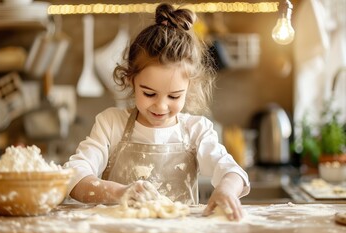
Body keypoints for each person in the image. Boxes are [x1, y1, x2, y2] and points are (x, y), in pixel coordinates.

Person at [65, 3, 250, 221]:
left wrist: (226, 190)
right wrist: (119, 192)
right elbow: (73, 176)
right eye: (149, 94)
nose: (161, 107)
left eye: (174, 96)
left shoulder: (196, 130)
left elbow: (232, 171)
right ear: (131, 80)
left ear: (188, 89)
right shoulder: (111, 124)